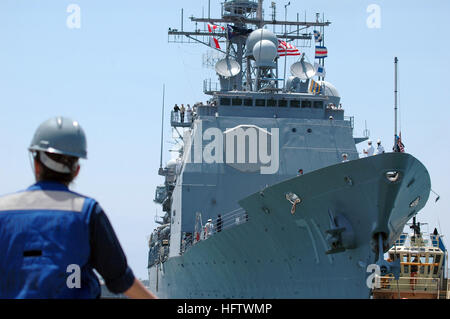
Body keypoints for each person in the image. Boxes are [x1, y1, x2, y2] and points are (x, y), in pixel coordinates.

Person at [0, 117, 157, 299]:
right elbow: (121, 280)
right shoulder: (88, 213)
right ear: (76, 171)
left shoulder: (3, 210)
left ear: (36, 164)